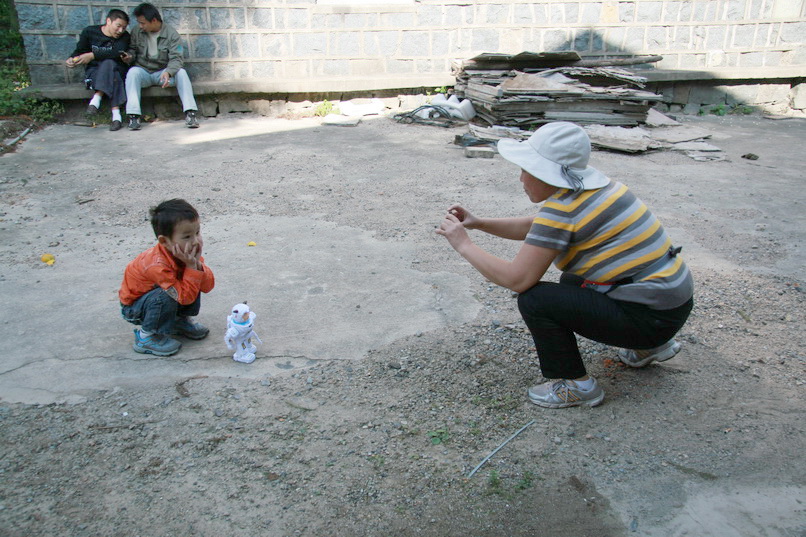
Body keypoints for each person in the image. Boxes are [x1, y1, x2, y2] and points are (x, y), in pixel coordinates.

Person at [437, 122, 694, 409]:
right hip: (671, 307)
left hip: (649, 319)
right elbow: (536, 227)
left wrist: (463, 244)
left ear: (551, 174)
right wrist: (480, 223)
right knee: (572, 280)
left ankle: (576, 385)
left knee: (536, 300)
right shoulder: (599, 190)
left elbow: (517, 279)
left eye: (528, 170)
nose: (521, 177)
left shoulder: (562, 210)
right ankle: (650, 347)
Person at [119, 199, 215, 356]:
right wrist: (191, 268)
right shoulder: (157, 266)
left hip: (165, 296)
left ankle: (178, 321)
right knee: (166, 294)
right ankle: (146, 336)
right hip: (136, 308)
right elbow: (183, 297)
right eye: (187, 237)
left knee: (192, 278)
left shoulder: (186, 255)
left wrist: (196, 264)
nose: (195, 241)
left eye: (197, 233)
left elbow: (207, 286)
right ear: (165, 241)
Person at [122, 2, 199, 130]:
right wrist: (129, 57)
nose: (140, 26)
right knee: (132, 72)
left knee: (182, 73)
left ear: (153, 20)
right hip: (144, 72)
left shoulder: (171, 34)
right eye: (139, 23)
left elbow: (177, 58)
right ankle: (133, 115)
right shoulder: (137, 31)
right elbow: (132, 50)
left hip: (163, 74)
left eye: (143, 23)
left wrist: (169, 72)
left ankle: (190, 113)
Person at [65, 9, 131, 131]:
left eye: (124, 27)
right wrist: (72, 59)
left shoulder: (125, 37)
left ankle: (96, 98)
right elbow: (80, 50)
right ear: (108, 21)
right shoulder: (90, 32)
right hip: (95, 72)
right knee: (112, 72)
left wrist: (92, 55)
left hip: (117, 70)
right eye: (118, 26)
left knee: (110, 64)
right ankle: (116, 116)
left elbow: (116, 52)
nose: (121, 30)